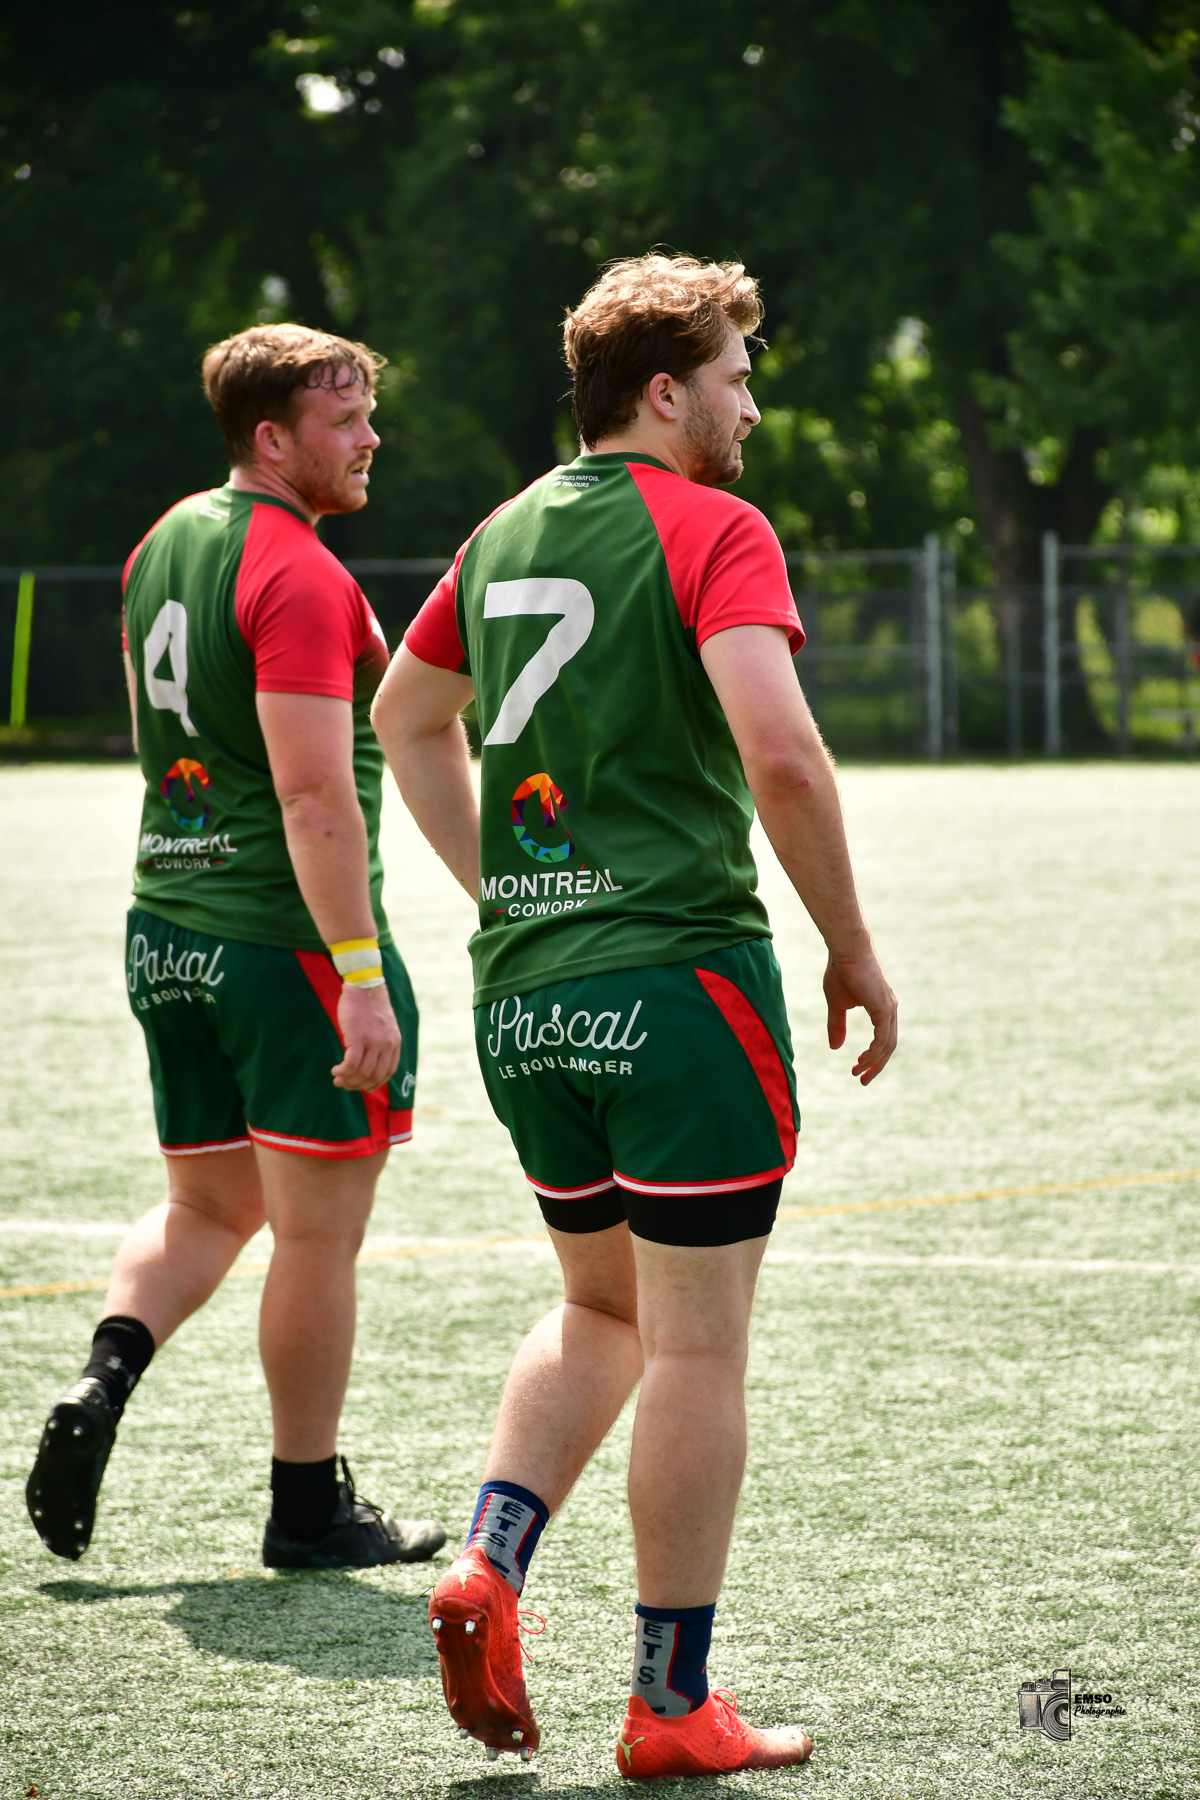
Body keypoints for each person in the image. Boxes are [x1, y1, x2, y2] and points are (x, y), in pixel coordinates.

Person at [369, 253, 898, 1777]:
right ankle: (671, 1706)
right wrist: (852, 947)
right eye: (737, 375)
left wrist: (508, 891)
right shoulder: (714, 524)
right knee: (693, 1349)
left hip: (528, 1004)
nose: (751, 402)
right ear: (663, 391)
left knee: (598, 1306)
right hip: (676, 989)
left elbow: (406, 718)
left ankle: (485, 1560)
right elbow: (785, 761)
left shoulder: (503, 529)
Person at [26, 324, 445, 1571]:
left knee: (205, 1207)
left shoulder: (162, 544)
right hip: (284, 949)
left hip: (165, 928)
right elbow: (318, 798)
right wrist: (363, 978)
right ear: (272, 437)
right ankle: (306, 1506)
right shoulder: (301, 573)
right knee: (316, 1237)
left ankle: (102, 1381)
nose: (372, 436)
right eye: (345, 417)